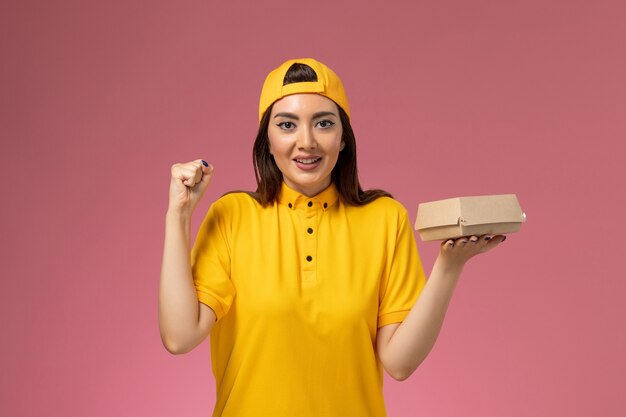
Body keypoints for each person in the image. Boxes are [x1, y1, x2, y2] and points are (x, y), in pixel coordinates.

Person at [158, 58, 505, 417]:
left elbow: (400, 362)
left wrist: (449, 266)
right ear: (268, 140)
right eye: (287, 125)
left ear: (343, 140)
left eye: (323, 123)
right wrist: (178, 215)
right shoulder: (232, 216)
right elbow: (179, 336)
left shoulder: (385, 219)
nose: (306, 142)